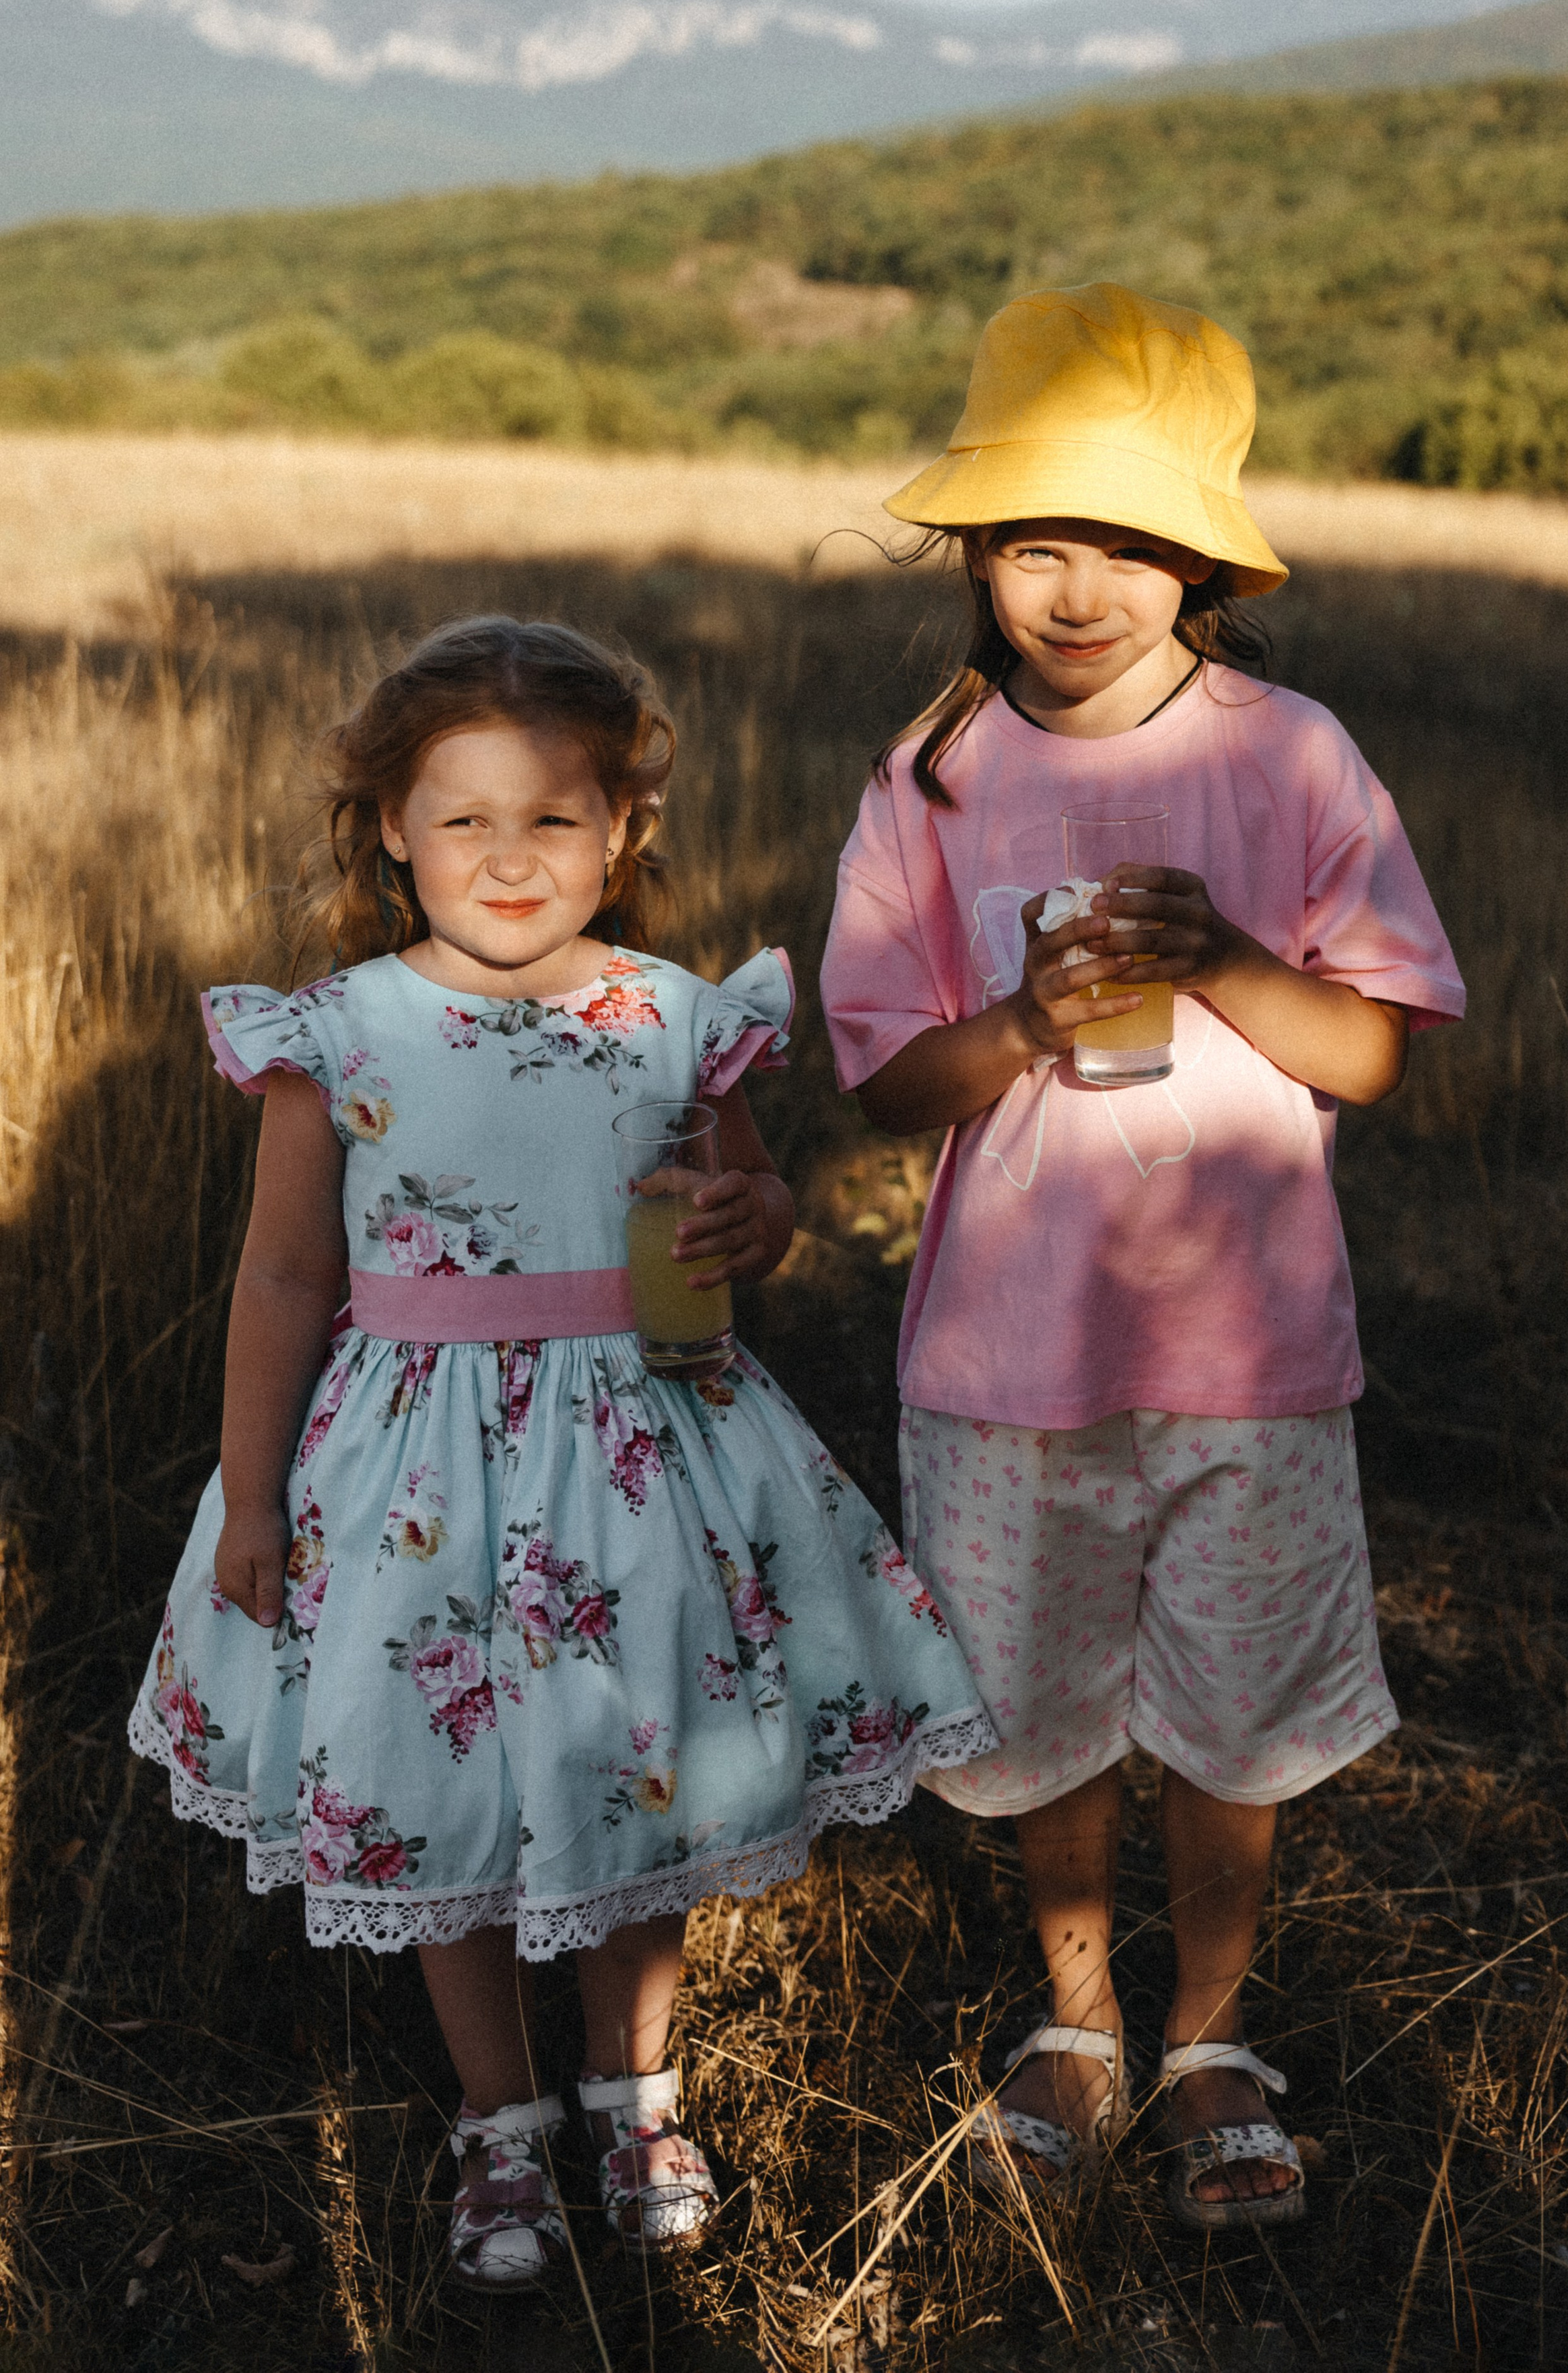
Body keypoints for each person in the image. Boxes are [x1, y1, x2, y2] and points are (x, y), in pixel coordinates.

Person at [129, 617, 993, 2290]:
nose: (509, 856)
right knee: (428, 1779)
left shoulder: (672, 1014)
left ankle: (630, 2089)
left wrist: (756, 1217)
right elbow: (287, 1276)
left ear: (621, 831)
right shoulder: (341, 1030)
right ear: (391, 830)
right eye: (463, 818)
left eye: (553, 818)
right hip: (413, 1479)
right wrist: (251, 1494)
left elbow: (755, 1200)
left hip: (641, 1447)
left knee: (641, 1762)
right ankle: (498, 2120)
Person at [819, 283, 1464, 2232]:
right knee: (1035, 1703)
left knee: (1235, 1709)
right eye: (1034, 541)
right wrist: (1020, 1021)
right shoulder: (934, 775)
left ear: (1201, 559)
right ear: (975, 556)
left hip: (1247, 1347)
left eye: (1126, 541)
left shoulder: (1291, 755)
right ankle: (1078, 2021)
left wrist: (1231, 958)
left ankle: (1209, 2040)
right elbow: (885, 1083)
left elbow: (1371, 1052)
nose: (1078, 587)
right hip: (1010, 1350)